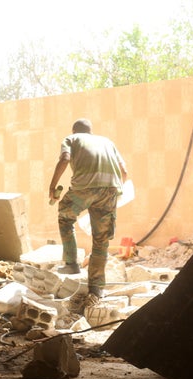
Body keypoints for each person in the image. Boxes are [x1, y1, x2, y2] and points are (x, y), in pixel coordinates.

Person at [48, 118, 128, 309]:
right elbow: (124, 172)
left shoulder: (72, 139)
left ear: (75, 131)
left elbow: (65, 159)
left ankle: (71, 262)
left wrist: (52, 186)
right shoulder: (108, 142)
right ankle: (97, 288)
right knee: (101, 239)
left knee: (65, 217)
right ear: (90, 131)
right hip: (110, 190)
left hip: (83, 189)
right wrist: (112, 191)